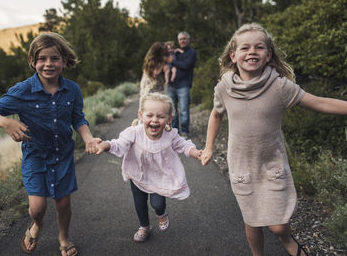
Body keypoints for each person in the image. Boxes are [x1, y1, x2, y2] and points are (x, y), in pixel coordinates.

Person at [200, 22, 347, 256]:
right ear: (233, 55)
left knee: (277, 224)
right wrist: (208, 147)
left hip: (272, 165)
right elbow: (216, 114)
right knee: (253, 220)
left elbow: (318, 102)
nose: (252, 52)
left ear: (268, 55)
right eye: (245, 48)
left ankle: (287, 239)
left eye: (259, 47)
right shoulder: (224, 88)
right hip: (242, 166)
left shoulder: (280, 87)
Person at [0, 32, 101, 256]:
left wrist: (88, 138)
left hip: (63, 155)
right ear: (32, 61)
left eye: (54, 58)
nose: (48, 64)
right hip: (35, 156)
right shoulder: (23, 90)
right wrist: (6, 122)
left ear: (64, 61)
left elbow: (78, 118)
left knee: (62, 204)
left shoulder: (73, 90)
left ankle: (64, 237)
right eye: (42, 59)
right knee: (38, 207)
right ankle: (36, 225)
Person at [95, 93, 202, 243]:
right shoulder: (134, 133)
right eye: (149, 115)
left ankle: (161, 212)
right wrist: (105, 145)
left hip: (160, 176)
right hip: (137, 174)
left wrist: (196, 153)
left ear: (169, 119)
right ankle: (144, 226)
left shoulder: (170, 135)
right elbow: (118, 144)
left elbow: (183, 145)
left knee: (157, 203)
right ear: (141, 115)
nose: (154, 120)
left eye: (160, 116)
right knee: (139, 203)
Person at [167, 31, 197, 139]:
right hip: (171, 85)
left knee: (184, 109)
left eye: (184, 38)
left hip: (184, 85)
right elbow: (166, 62)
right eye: (180, 39)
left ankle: (185, 132)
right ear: (178, 41)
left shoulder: (192, 52)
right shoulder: (175, 53)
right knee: (172, 110)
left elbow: (186, 65)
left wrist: (173, 62)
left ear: (188, 40)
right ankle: (175, 132)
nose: (182, 41)